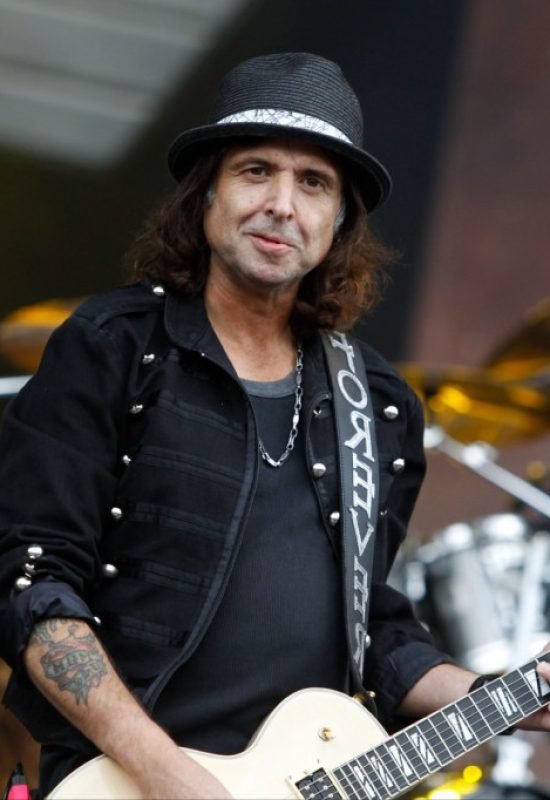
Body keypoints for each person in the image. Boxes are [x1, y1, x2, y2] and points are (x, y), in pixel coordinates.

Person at [0, 51, 549, 800]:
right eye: (257, 170)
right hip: (121, 781)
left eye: (314, 182)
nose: (282, 204)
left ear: (339, 221)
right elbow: (32, 584)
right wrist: (168, 774)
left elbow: (377, 634)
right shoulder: (112, 347)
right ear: (207, 196)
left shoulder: (377, 403)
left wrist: (512, 696)